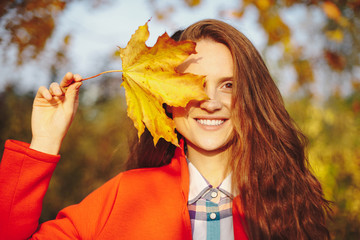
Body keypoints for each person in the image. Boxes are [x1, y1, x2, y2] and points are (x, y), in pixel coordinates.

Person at [0, 19, 330, 240]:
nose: (209, 101)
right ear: (166, 100)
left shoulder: (289, 208)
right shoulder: (124, 197)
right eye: (192, 84)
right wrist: (43, 142)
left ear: (252, 97)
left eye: (228, 85)